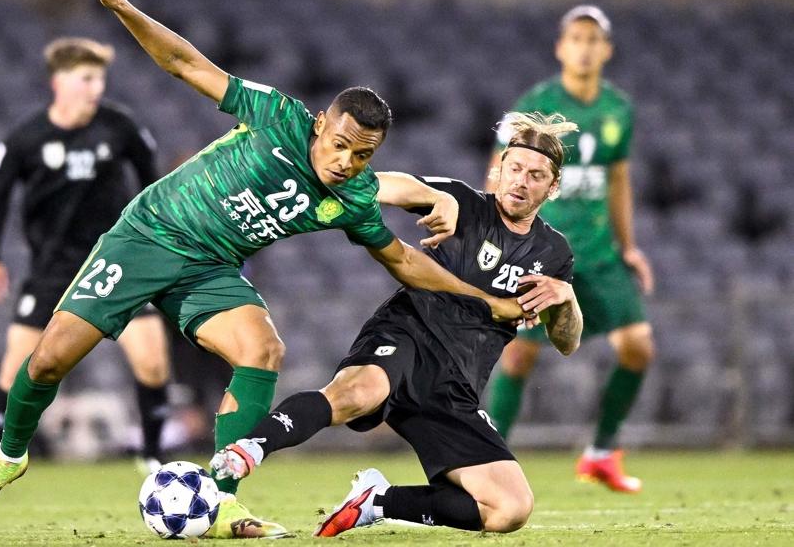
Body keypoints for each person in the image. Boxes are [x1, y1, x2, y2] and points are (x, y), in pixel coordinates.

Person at [0, 0, 531, 538]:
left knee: (263, 350)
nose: (346, 161)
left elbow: (404, 260)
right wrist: (122, 6)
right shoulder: (276, 115)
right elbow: (185, 63)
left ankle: (222, 498)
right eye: (340, 144)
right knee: (49, 359)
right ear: (320, 124)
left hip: (210, 268)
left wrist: (486, 301)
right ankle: (9, 455)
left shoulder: (353, 198)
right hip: (148, 236)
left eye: (362, 155)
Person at [211, 112, 583, 536]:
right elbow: (387, 185)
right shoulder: (463, 203)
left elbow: (566, 342)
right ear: (499, 168)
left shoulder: (554, 253)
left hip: (457, 383)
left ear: (553, 186)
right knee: (358, 392)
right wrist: (416, 193)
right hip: (408, 333)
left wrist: (567, 300)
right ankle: (249, 449)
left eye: (536, 175)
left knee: (510, 509)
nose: (521, 181)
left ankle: (377, 500)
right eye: (514, 168)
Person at [0, 36, 171, 474]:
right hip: (53, 270)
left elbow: (154, 185)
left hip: (117, 263)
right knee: (16, 370)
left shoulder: (120, 127)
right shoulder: (26, 138)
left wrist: (157, 238)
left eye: (99, 79)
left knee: (153, 361)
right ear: (58, 82)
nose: (95, 88)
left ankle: (153, 458)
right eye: (86, 79)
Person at [484, 6, 655, 493]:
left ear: (607, 50)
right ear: (561, 47)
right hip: (541, 252)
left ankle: (601, 453)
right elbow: (500, 172)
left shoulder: (618, 109)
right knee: (518, 358)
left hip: (599, 255)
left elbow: (618, 180)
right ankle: (487, 461)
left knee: (638, 347)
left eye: (593, 39)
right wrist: (499, 238)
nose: (584, 47)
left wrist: (629, 247)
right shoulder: (536, 105)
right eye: (576, 38)